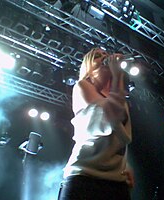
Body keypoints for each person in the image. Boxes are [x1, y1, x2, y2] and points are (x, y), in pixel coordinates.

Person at [58, 48, 134, 200]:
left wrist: (126, 165)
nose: (104, 58)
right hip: (85, 176)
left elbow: (123, 138)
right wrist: (117, 75)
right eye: (97, 56)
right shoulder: (82, 86)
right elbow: (107, 118)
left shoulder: (121, 99)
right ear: (89, 67)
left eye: (105, 55)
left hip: (116, 181)